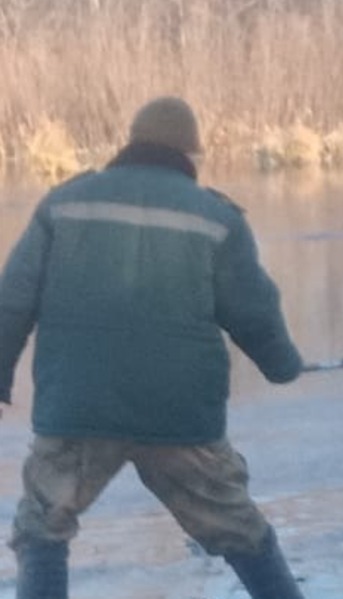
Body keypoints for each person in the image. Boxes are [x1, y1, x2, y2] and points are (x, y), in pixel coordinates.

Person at [0, 97, 306, 599]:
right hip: (180, 417)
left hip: (79, 409)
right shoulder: (217, 218)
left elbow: (12, 300)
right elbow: (253, 310)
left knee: (42, 528)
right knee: (238, 528)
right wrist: (283, 366)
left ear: (131, 142)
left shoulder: (65, 202)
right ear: (191, 153)